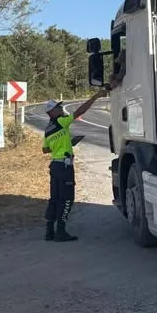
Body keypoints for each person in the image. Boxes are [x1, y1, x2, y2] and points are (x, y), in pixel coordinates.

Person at [41, 87, 109, 242]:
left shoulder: (48, 129)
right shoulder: (61, 121)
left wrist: (67, 144)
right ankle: (61, 231)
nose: (60, 109)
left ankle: (49, 231)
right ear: (52, 112)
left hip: (55, 166)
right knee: (67, 198)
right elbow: (78, 112)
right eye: (58, 107)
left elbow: (45, 149)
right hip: (65, 167)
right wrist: (95, 97)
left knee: (54, 197)